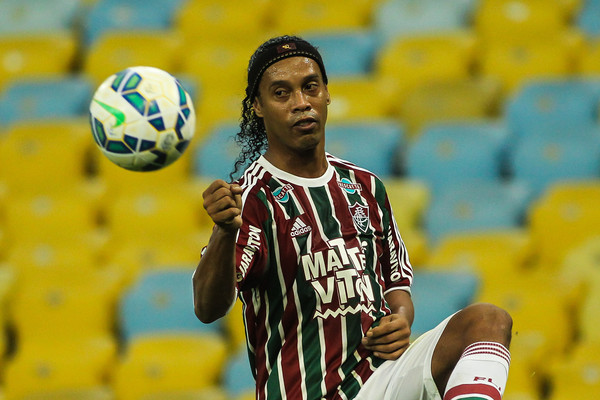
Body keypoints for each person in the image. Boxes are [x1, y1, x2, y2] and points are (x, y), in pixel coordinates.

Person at [193, 35, 512, 400]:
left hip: (378, 380)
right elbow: (207, 306)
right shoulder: (251, 198)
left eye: (310, 87)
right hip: (306, 392)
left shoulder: (364, 186)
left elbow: (395, 286)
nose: (301, 103)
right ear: (258, 107)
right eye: (281, 93)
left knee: (487, 321)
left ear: (326, 93)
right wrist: (222, 233)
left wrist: (401, 319)